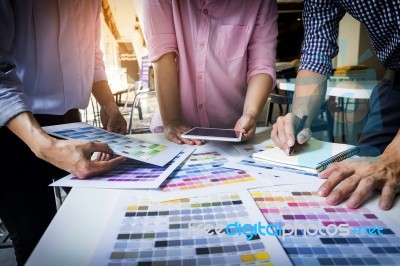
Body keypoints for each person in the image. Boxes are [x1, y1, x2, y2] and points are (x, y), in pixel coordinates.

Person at [0, 1, 127, 264]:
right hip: (13, 129)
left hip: (71, 124)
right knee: (38, 237)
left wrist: (108, 103)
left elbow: (92, 54)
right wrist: (45, 146)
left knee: (100, 220)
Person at [271, 0, 400, 210]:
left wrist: (394, 157)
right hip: (395, 82)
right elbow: (315, 57)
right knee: (360, 173)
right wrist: (299, 119)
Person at [143, 0, 278, 145]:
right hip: (175, 132)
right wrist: (171, 121)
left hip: (231, 131)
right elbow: (163, 55)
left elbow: (262, 63)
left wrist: (250, 114)